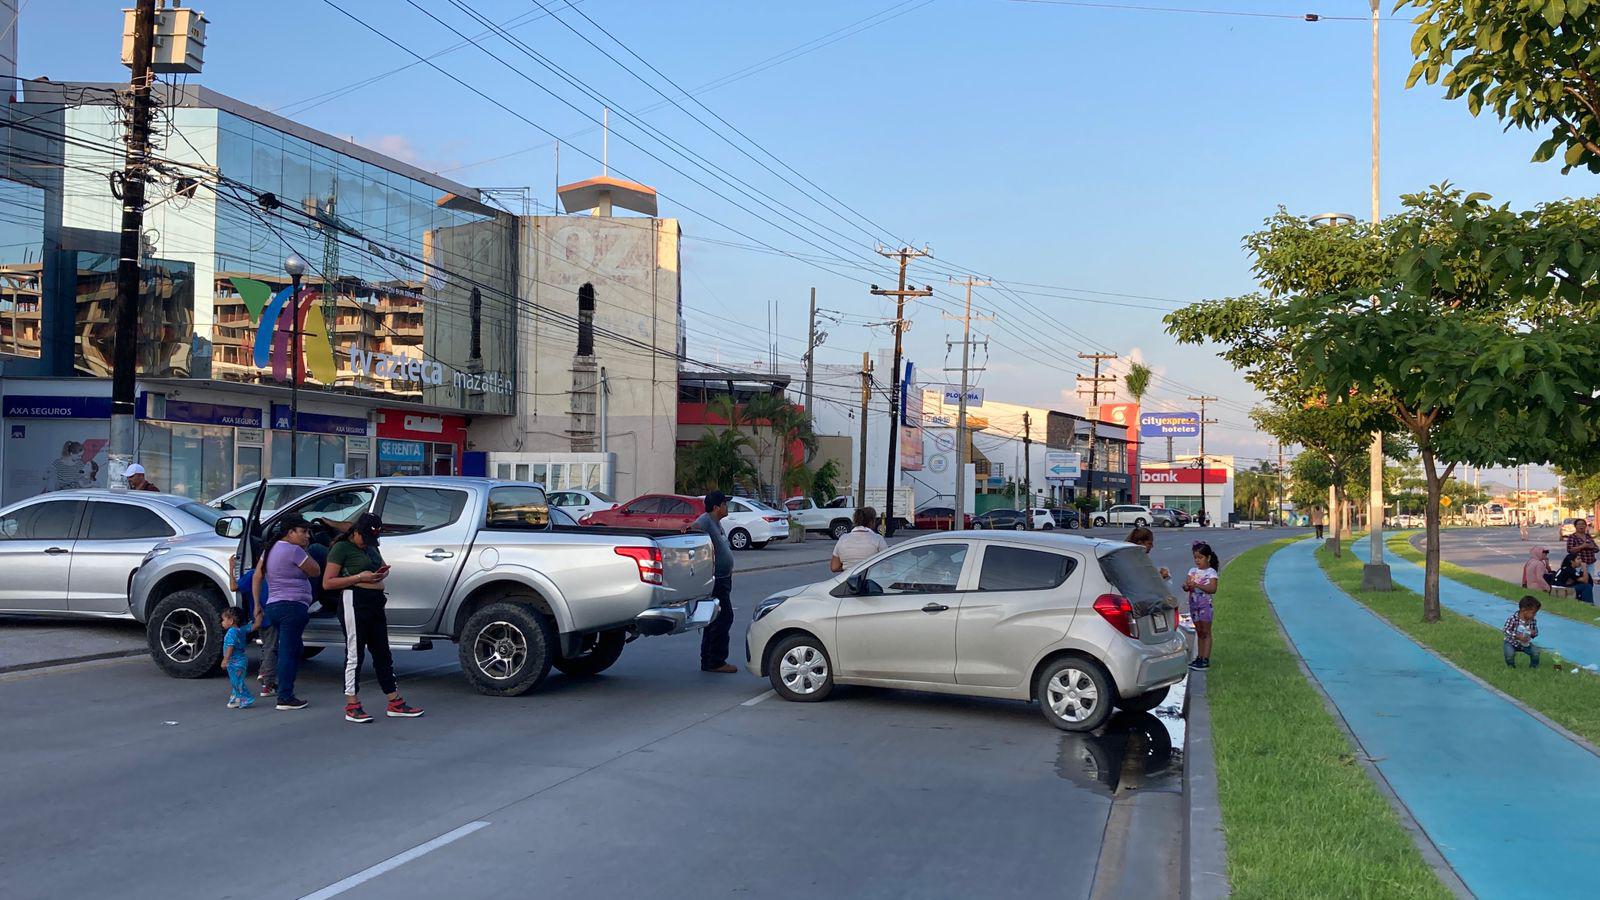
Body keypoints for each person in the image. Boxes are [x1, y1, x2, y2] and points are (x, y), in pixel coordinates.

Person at [323, 513, 422, 723]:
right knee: (355, 653)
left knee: (382, 652)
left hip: (375, 601)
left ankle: (394, 701)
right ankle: (352, 703)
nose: (366, 544)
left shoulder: (371, 546)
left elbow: (381, 565)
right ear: (356, 532)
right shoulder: (342, 548)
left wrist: (380, 574)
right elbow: (328, 582)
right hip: (354, 600)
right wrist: (360, 577)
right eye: (364, 539)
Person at [251, 516, 321, 710]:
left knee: (292, 649)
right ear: (290, 532)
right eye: (303, 531)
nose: (307, 535)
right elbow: (315, 570)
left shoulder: (270, 549)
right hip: (292, 606)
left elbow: (257, 576)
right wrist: (309, 552)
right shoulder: (294, 550)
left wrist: (257, 604)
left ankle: (273, 683)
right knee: (288, 652)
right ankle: (285, 697)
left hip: (273, 605)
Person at [691, 491, 737, 674]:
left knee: (714, 619)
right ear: (717, 507)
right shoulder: (705, 521)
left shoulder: (717, 523)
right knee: (724, 618)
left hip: (724, 579)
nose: (727, 507)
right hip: (716, 580)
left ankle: (709, 660)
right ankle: (716, 661)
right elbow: (693, 529)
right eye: (725, 504)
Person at [1184, 541, 1221, 670]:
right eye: (1195, 557)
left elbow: (1213, 588)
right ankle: (1199, 657)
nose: (1197, 561)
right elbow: (1187, 584)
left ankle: (1205, 658)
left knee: (1206, 632)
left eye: (1200, 558)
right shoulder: (1192, 571)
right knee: (1199, 632)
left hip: (1205, 605)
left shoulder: (1211, 572)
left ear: (1208, 558)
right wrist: (1186, 586)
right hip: (1194, 605)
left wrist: (1198, 585)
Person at [831, 507, 888, 573]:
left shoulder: (843, 539)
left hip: (848, 579)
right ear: (872, 522)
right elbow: (887, 567)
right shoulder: (878, 539)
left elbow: (834, 567)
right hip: (870, 579)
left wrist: (848, 567)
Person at [219, 607, 255, 710]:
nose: (222, 622)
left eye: (223, 620)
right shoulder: (241, 629)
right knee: (237, 680)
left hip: (234, 662)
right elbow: (254, 626)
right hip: (242, 660)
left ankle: (246, 698)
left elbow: (230, 646)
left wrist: (225, 659)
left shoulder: (231, 632)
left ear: (230, 621)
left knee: (237, 682)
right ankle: (235, 698)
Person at [1503, 596, 1541, 668]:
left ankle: (1533, 667)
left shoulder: (1532, 621)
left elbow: (1536, 632)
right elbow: (1506, 630)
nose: (1534, 615)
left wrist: (1533, 632)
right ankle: (1511, 667)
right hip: (1511, 642)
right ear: (1524, 610)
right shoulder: (1513, 619)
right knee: (1509, 655)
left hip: (1525, 643)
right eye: (1533, 613)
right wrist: (1516, 636)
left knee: (1536, 652)